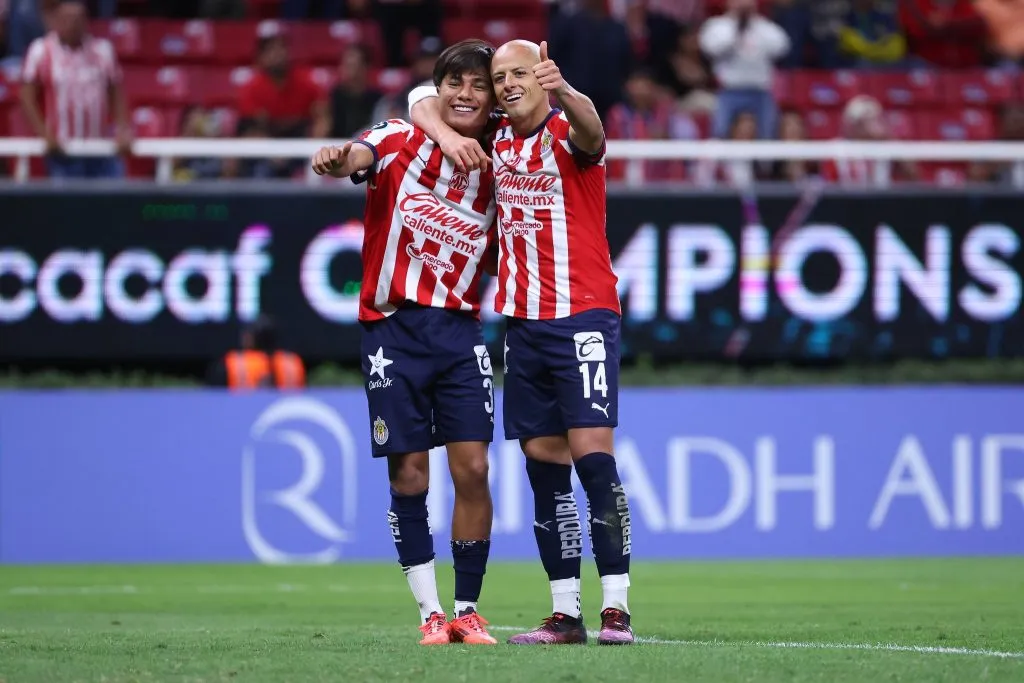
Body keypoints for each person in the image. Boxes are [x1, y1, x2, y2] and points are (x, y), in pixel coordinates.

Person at [408, 39, 635, 646]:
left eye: (518, 73)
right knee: (543, 469)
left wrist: (564, 89)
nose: (506, 83)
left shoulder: (567, 130)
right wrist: (452, 134)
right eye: (498, 76)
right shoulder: (496, 140)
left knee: (594, 460)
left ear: (542, 74)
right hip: (523, 326)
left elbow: (594, 130)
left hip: (583, 316)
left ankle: (617, 608)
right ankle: (566, 613)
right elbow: (420, 102)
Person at [311, 38, 500, 647]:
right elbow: (361, 154)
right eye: (455, 83)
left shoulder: (506, 151)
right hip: (392, 330)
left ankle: (467, 610)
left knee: (472, 469)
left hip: (459, 328)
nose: (465, 94)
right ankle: (428, 614)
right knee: (409, 475)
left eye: (479, 85)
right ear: (438, 88)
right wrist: (339, 158)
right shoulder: (399, 136)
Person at [207, 315, 306, 391]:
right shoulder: (292, 362)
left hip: (239, 413)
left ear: (251, 338)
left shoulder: (233, 362)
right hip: (285, 412)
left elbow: (215, 397)